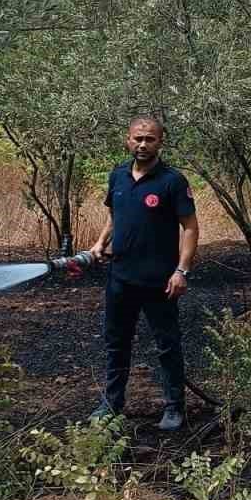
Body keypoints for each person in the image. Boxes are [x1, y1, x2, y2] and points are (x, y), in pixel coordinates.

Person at [88, 114, 199, 430]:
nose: (142, 144)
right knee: (116, 343)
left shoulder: (172, 181)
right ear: (127, 139)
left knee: (167, 345)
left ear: (160, 142)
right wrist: (99, 243)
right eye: (137, 138)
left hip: (160, 282)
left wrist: (182, 271)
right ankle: (111, 403)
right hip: (120, 279)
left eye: (149, 139)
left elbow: (190, 228)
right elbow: (114, 216)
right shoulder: (118, 177)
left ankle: (175, 407)